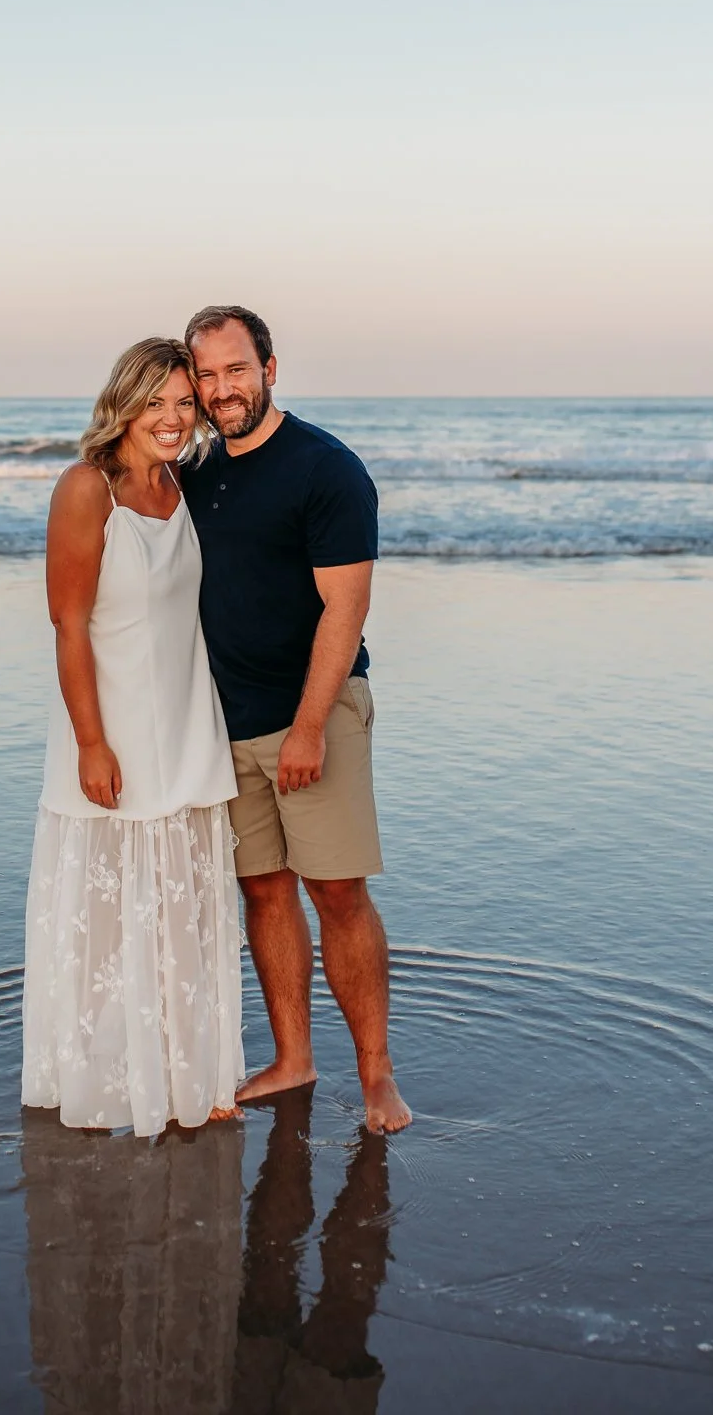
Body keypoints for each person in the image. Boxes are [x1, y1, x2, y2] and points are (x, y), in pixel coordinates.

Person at [181, 306, 411, 1134]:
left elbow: (345, 609)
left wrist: (309, 727)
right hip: (226, 720)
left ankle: (377, 1077)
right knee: (264, 891)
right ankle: (293, 1060)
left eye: (235, 369)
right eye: (207, 374)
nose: (221, 389)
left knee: (337, 892)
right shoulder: (195, 470)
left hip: (313, 713)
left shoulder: (325, 469)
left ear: (269, 370)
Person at [21, 337, 245, 1136]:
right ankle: (109, 1082)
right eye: (156, 403)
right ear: (124, 403)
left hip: (187, 726)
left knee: (182, 914)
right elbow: (67, 623)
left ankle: (189, 1076)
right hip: (113, 727)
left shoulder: (182, 482)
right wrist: (91, 742)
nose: (173, 418)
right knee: (116, 913)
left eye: (185, 403)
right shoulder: (88, 488)